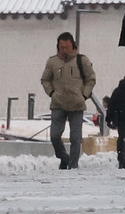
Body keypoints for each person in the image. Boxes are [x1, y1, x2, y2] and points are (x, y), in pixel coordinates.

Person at [40, 32, 95, 170]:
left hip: (77, 104)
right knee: (54, 135)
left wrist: (84, 95)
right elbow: (45, 79)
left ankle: (73, 166)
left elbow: (91, 79)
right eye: (61, 47)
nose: (64, 50)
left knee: (76, 138)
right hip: (58, 103)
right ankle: (64, 158)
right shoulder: (52, 62)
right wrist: (52, 93)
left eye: (67, 47)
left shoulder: (82, 61)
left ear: (73, 46)